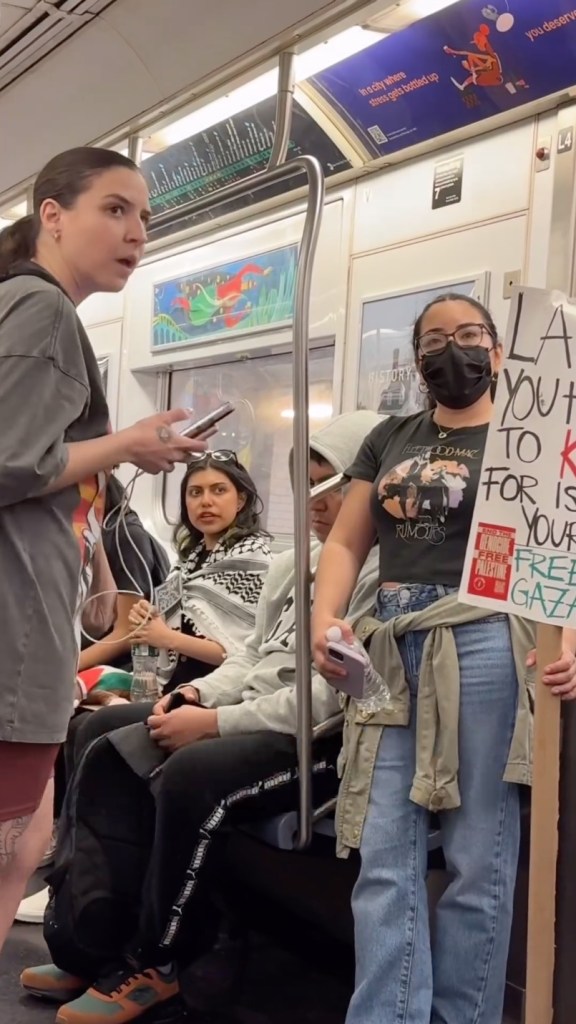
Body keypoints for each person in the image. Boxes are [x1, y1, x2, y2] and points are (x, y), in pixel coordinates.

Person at [22, 410, 382, 1024]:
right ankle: (93, 937)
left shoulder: (376, 572)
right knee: (100, 735)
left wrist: (214, 724)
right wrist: (201, 699)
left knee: (190, 773)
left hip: (318, 736)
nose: (319, 502)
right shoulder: (298, 563)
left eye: (334, 485)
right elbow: (249, 656)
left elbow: (334, 697)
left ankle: (158, 962)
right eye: (310, 486)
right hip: (254, 706)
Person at [311, 295, 576, 1024]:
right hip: (392, 641)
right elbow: (345, 543)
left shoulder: (532, 433)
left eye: (468, 335)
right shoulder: (391, 436)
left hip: (488, 635)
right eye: (434, 339)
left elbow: (562, 542)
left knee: (477, 856)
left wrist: (569, 637)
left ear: (496, 350)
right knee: (383, 856)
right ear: (415, 358)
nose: (450, 350)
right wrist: (324, 616)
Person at [0, 146, 207, 955]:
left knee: (28, 836)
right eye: (114, 209)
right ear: (53, 214)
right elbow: (11, 458)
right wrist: (125, 443)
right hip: (12, 621)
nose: (135, 232)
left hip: (26, 615)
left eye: (145, 218)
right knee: (12, 845)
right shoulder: (42, 311)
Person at [15, 474, 171, 924]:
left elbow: (126, 631)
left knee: (67, 712)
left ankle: (60, 855)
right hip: (85, 654)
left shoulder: (120, 536)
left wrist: (61, 666)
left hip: (122, 662)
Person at [127, 451, 272, 691]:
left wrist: (165, 637)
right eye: (196, 492)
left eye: (219, 490)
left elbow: (243, 656)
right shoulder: (187, 562)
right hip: (171, 684)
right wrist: (150, 618)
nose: (206, 501)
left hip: (213, 694)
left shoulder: (253, 561)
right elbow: (173, 627)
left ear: (241, 500)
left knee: (98, 723)